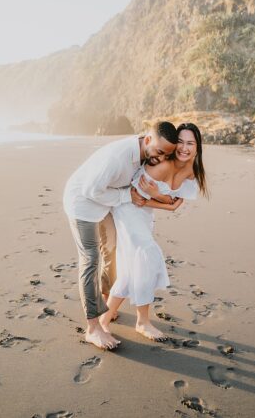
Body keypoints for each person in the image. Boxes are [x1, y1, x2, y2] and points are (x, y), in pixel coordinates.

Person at [62, 121, 178, 350]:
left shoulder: (146, 154)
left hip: (106, 204)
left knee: (112, 252)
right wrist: (127, 196)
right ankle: (93, 327)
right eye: (159, 151)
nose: (162, 157)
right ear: (147, 140)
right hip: (82, 204)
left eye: (167, 154)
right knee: (90, 260)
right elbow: (90, 190)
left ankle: (107, 306)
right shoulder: (117, 158)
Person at [101, 122, 208, 341]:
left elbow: (174, 204)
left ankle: (106, 320)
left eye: (190, 143)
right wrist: (161, 199)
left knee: (132, 269)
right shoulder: (162, 164)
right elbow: (137, 197)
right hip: (128, 210)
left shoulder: (190, 171)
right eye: (180, 142)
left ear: (197, 147)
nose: (184, 148)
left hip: (145, 216)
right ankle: (142, 321)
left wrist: (158, 196)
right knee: (147, 253)